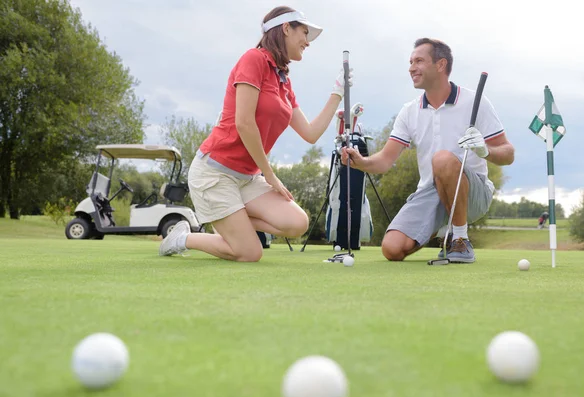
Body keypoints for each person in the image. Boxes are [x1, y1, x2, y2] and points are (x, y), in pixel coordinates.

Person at [158, 6, 353, 262]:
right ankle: (182, 237)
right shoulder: (254, 59)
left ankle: (230, 221)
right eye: (304, 33)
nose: (307, 41)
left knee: (297, 223)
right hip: (215, 173)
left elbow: (310, 133)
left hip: (246, 179)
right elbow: (244, 124)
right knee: (249, 253)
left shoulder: (283, 80)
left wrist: (338, 92)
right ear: (286, 28)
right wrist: (270, 175)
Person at [341, 38, 515, 263]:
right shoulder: (409, 111)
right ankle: (443, 228)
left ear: (440, 65)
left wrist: (484, 150)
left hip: (473, 192)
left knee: (442, 159)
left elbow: (508, 154)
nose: (411, 67)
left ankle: (459, 239)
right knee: (392, 250)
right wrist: (360, 162)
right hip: (430, 193)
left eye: (419, 61)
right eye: (410, 62)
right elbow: (385, 160)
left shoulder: (475, 101)